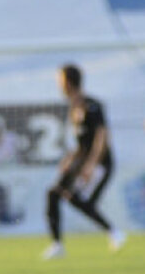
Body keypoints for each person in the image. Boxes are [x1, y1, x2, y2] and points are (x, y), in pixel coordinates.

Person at [42, 64, 126, 260]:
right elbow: (82, 143)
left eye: (59, 81)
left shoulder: (92, 105)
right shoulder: (74, 108)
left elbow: (102, 138)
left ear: (68, 82)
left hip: (100, 164)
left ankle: (114, 232)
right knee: (53, 193)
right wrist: (69, 158)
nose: (58, 85)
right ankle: (57, 244)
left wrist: (90, 166)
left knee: (78, 199)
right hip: (80, 161)